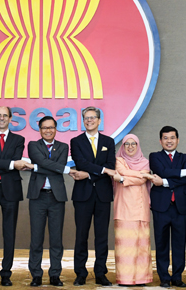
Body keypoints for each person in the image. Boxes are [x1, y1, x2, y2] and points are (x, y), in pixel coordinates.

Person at [0, 106, 32, 286]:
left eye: (5, 116)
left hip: (10, 191)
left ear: (10, 119)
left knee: (9, 234)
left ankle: (6, 274)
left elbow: (13, 161)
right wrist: (10, 164)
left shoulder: (19, 139)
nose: (1, 118)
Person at [149, 126, 186, 288]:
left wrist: (164, 181)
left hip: (180, 206)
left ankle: (177, 277)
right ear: (160, 141)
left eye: (172, 138)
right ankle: (164, 277)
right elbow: (162, 171)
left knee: (179, 244)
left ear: (178, 140)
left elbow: (184, 179)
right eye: (165, 138)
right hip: (161, 207)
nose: (169, 141)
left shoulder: (185, 158)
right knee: (161, 243)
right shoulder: (154, 156)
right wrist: (185, 172)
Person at [69, 106, 116, 286]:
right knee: (81, 235)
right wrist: (103, 170)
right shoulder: (76, 141)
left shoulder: (109, 141)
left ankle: (100, 272)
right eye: (86, 118)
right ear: (83, 120)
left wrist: (88, 174)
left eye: (92, 117)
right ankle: (80, 272)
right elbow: (81, 162)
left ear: (99, 120)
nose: (89, 120)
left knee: (102, 235)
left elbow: (111, 165)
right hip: (83, 195)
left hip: (103, 195)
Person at [27, 116, 71, 287]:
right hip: (37, 197)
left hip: (56, 196)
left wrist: (37, 168)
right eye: (44, 128)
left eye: (51, 127)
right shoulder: (33, 145)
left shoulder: (63, 146)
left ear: (56, 129)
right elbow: (46, 163)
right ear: (39, 130)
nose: (48, 130)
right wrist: (63, 169)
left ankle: (55, 274)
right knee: (36, 238)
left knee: (56, 238)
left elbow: (52, 166)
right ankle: (36, 275)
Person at [111, 134, 155, 286]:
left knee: (141, 245)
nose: (130, 147)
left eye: (133, 144)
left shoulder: (145, 162)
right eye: (127, 144)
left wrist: (124, 179)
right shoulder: (118, 161)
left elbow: (141, 179)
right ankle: (125, 278)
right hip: (123, 208)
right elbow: (124, 172)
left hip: (141, 208)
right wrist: (143, 175)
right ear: (122, 147)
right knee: (125, 246)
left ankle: (141, 278)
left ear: (138, 146)